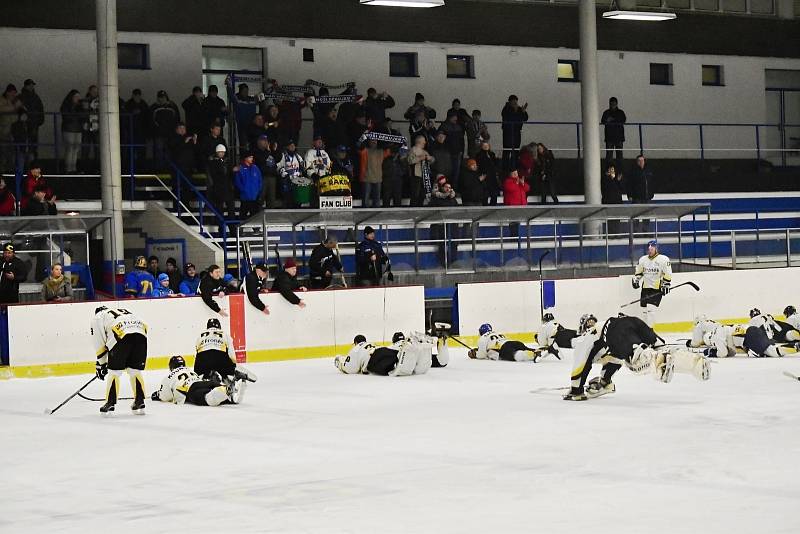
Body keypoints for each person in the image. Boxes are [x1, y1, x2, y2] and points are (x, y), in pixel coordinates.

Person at [564, 314, 710, 401]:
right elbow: (615, 360)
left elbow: (580, 364)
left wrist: (576, 390)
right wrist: (605, 381)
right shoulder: (604, 346)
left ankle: (659, 362)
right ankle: (695, 365)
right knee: (661, 350)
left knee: (637, 360)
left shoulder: (585, 338)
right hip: (632, 322)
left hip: (616, 330)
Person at [91, 305, 149, 414]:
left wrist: (101, 364)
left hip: (121, 335)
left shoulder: (98, 317)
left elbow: (99, 342)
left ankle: (110, 403)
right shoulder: (122, 311)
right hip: (141, 335)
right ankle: (139, 400)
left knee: (114, 372)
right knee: (134, 370)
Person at [334, 332, 446, 376]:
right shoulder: (372, 344)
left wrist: (338, 360)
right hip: (388, 352)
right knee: (414, 366)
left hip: (379, 358)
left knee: (393, 365)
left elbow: (350, 368)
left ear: (355, 343)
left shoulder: (357, 348)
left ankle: (411, 348)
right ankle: (422, 347)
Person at [151, 355, 243, 407]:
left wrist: (157, 395)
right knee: (217, 391)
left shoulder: (169, 377)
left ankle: (226, 390)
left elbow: (165, 396)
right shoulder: (190, 370)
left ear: (171, 367)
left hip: (191, 388)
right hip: (202, 382)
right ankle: (230, 390)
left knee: (208, 398)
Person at [193, 318, 257, 384]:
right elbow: (232, 355)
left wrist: (197, 370)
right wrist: (233, 367)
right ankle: (227, 378)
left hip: (202, 361)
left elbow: (196, 354)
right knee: (225, 370)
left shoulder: (200, 336)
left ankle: (207, 376)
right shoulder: (225, 334)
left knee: (201, 372)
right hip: (220, 359)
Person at [632, 240, 672, 327]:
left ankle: (650, 330)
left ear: (656, 249)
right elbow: (639, 273)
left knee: (650, 310)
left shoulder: (664, 259)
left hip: (656, 288)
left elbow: (668, 273)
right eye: (649, 248)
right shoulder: (643, 259)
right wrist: (636, 280)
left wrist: (666, 284)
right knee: (644, 311)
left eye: (652, 248)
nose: (650, 250)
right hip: (645, 288)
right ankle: (645, 331)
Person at [467, 323, 539, 362]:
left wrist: (475, 354)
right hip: (513, 342)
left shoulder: (483, 338)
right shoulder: (497, 333)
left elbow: (481, 355)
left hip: (503, 348)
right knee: (525, 348)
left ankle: (532, 355)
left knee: (517, 356)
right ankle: (536, 351)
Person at [150, 90, 180, 169]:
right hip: (158, 133)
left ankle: (168, 167)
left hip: (170, 133)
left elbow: (177, 119)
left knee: (169, 150)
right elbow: (151, 121)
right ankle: (159, 168)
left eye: (163, 97)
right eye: (160, 97)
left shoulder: (172, 106)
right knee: (159, 151)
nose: (161, 99)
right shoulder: (154, 107)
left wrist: (175, 131)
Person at [206, 144, 235, 221]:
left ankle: (232, 230)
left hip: (228, 189)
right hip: (218, 190)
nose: (222, 154)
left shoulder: (227, 161)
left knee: (231, 212)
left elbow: (230, 174)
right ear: (216, 152)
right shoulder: (212, 162)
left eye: (223, 152)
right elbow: (213, 175)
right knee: (219, 211)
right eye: (220, 152)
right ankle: (221, 229)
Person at [501, 95, 528, 172]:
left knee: (516, 150)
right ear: (509, 102)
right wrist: (516, 111)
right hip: (507, 133)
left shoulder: (519, 109)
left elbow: (525, 118)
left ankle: (515, 168)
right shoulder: (506, 109)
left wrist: (523, 111)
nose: (515, 103)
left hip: (516, 132)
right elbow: (510, 118)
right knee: (507, 150)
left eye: (516, 101)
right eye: (513, 102)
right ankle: (505, 169)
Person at [123, 89, 150, 166]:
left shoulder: (144, 104)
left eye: (138, 95)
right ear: (133, 95)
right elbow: (125, 118)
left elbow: (147, 118)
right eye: (136, 95)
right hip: (130, 132)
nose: (137, 97)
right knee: (130, 151)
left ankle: (141, 167)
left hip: (141, 132)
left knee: (141, 151)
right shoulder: (128, 105)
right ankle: (129, 168)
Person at [439, 110, 466, 188]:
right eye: (454, 117)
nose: (456, 118)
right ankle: (446, 187)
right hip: (447, 153)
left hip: (457, 152)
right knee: (447, 171)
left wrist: (461, 150)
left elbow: (461, 141)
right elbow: (440, 140)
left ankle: (454, 188)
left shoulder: (458, 127)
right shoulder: (444, 126)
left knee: (456, 172)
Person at [19, 79, 44, 163]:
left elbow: (40, 108)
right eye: (30, 85)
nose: (31, 86)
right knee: (28, 143)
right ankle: (29, 163)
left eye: (32, 85)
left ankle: (31, 163)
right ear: (26, 86)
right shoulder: (25, 97)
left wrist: (40, 119)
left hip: (33, 123)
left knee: (32, 143)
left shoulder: (31, 96)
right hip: (27, 124)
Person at [59, 90, 84, 173]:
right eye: (76, 96)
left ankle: (74, 167)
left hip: (78, 129)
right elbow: (66, 117)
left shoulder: (80, 106)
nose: (78, 98)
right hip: (69, 129)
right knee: (70, 149)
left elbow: (83, 116)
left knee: (76, 149)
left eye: (79, 96)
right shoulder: (66, 105)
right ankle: (68, 168)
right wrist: (77, 116)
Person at [359, 139, 388, 208]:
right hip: (367, 178)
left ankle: (375, 217)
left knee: (376, 201)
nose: (374, 142)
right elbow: (359, 148)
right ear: (369, 142)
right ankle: (365, 216)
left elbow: (390, 150)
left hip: (377, 179)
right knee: (366, 201)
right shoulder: (365, 151)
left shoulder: (381, 151)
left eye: (375, 141)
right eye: (372, 141)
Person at [601, 97, 627, 174]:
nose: (613, 105)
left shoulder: (620, 112)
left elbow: (623, 120)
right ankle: (609, 173)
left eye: (614, 103)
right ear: (609, 104)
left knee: (619, 156)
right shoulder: (606, 112)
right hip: (610, 137)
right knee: (609, 156)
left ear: (616, 103)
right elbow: (603, 121)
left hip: (618, 137)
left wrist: (611, 120)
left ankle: (620, 172)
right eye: (611, 103)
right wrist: (608, 120)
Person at [234, 152, 263, 220]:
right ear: (246, 158)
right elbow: (237, 182)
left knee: (255, 215)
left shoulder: (256, 168)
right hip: (245, 197)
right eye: (250, 157)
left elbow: (260, 180)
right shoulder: (240, 168)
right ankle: (240, 230)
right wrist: (243, 190)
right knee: (243, 215)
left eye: (252, 157)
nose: (252, 159)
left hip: (254, 197)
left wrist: (258, 190)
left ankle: (256, 230)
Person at [407, 135, 434, 207]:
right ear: (419, 141)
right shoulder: (412, 150)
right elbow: (410, 161)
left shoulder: (424, 151)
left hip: (425, 177)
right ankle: (413, 209)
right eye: (424, 141)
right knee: (415, 194)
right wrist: (420, 158)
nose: (425, 142)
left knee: (422, 194)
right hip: (416, 175)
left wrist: (430, 158)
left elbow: (433, 160)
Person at [475, 141, 500, 205]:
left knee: (494, 194)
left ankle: (493, 206)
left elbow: (495, 164)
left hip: (492, 176)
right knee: (485, 194)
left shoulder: (492, 154)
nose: (486, 147)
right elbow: (479, 165)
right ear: (481, 146)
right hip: (484, 176)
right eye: (484, 146)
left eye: (487, 146)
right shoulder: (479, 155)